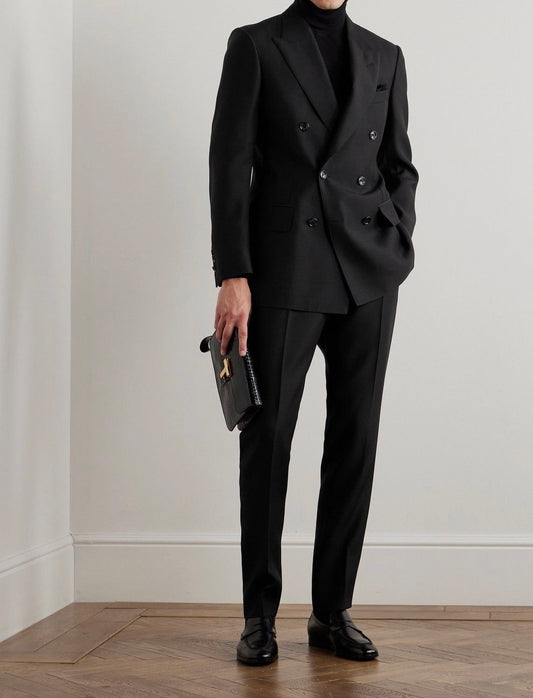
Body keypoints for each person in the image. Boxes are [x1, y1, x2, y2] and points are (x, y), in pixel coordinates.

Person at [209, 0, 418, 665]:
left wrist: (396, 236)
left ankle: (332, 612)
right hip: (284, 269)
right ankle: (259, 617)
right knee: (267, 440)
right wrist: (233, 273)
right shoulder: (255, 44)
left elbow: (398, 164)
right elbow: (228, 164)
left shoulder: (384, 55)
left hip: (368, 274)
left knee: (355, 440)